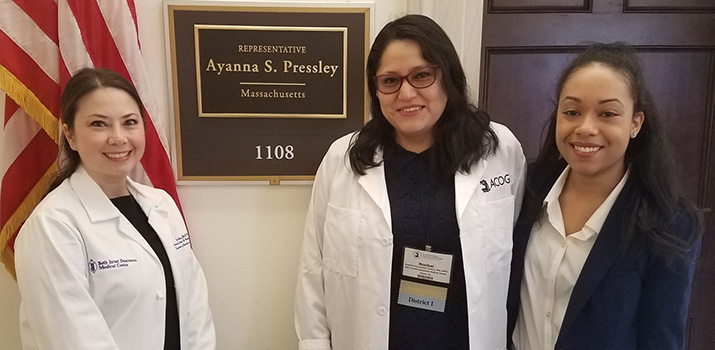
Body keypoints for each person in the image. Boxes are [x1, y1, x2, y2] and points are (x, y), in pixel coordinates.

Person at [295, 14, 526, 350]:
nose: (406, 93)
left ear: (447, 76)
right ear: (376, 88)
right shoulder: (342, 159)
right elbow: (312, 268)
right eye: (390, 81)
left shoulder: (499, 149)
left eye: (421, 75)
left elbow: (520, 252)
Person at [507, 43, 703, 350]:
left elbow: (661, 338)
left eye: (607, 113)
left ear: (636, 123)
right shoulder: (524, 186)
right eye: (572, 112)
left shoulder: (670, 222)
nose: (586, 127)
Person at [15, 68, 216, 350]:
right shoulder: (52, 224)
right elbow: (73, 339)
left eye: (130, 122)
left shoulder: (162, 205)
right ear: (69, 134)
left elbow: (195, 309)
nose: (118, 138)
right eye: (99, 124)